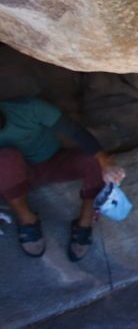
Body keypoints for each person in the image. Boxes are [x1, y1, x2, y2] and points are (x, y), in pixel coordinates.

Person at [0, 96, 125, 261]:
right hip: (15, 174)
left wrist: (105, 162)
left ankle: (85, 222)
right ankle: (26, 219)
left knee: (94, 160)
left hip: (53, 160)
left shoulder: (29, 108)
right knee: (6, 157)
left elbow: (75, 131)